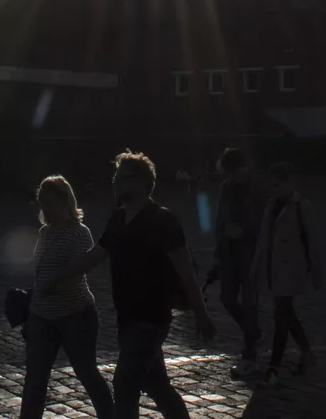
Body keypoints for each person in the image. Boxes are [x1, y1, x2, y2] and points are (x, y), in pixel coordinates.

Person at [50, 150, 214, 419]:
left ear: (140, 182)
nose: (115, 182)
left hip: (151, 319)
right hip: (127, 318)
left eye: (121, 178)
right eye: (115, 177)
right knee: (156, 384)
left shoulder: (163, 220)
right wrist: (59, 276)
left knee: (125, 384)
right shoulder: (118, 219)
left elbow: (186, 272)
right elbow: (95, 256)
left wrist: (202, 314)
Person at [18, 175, 114, 419]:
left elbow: (78, 271)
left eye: (50, 203)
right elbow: (40, 270)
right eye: (42, 203)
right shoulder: (45, 232)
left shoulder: (79, 233)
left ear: (64, 203)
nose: (46, 209)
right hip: (41, 316)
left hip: (75, 314)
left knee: (87, 373)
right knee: (35, 380)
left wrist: (51, 285)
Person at [250, 163, 322, 387]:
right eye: (271, 186)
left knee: (281, 313)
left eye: (278, 185)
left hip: (291, 269)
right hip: (274, 269)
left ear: (289, 182)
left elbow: (312, 241)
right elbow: (263, 239)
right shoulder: (270, 206)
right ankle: (307, 354)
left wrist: (316, 271)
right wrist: (256, 267)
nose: (275, 190)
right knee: (286, 313)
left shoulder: (302, 207)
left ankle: (274, 367)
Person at [208, 148, 264, 379]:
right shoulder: (226, 187)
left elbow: (265, 221)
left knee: (250, 304)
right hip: (230, 255)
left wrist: (244, 232)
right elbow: (220, 221)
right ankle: (252, 331)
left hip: (251, 254)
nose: (231, 176)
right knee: (227, 298)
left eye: (234, 171)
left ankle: (250, 352)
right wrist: (218, 252)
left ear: (242, 167)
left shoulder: (258, 188)